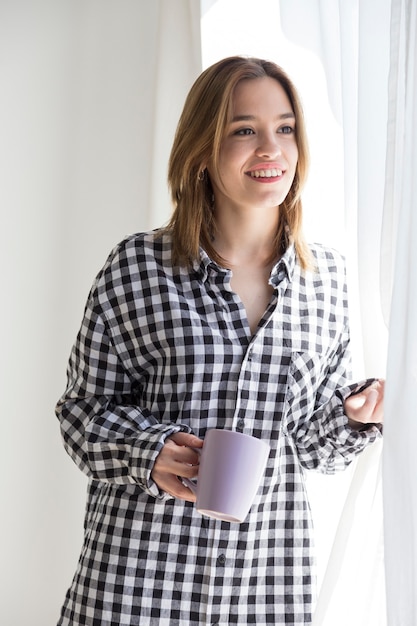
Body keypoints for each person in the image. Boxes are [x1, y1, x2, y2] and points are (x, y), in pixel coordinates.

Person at [55, 56, 384, 626]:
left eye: (285, 128)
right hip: (136, 585)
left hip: (263, 588)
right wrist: (151, 452)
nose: (270, 149)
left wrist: (355, 418)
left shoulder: (327, 281)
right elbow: (80, 416)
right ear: (203, 149)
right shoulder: (139, 268)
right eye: (243, 130)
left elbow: (307, 446)